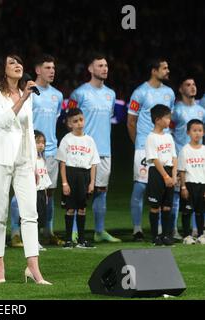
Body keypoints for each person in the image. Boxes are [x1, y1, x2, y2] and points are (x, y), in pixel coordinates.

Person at [0, 54, 51, 285]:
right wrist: (22, 98)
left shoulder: (27, 94)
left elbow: (28, 130)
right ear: (3, 70)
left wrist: (34, 163)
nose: (18, 66)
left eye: (19, 62)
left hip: (24, 160)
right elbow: (3, 121)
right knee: (0, 215)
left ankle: (33, 268)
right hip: (0, 159)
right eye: (12, 63)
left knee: (30, 214)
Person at [10, 54, 64, 247]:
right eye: (48, 68)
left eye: (53, 68)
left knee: (48, 193)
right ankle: (15, 233)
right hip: (28, 151)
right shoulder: (28, 91)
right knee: (21, 192)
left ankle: (47, 231)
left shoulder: (58, 95)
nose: (52, 71)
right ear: (38, 70)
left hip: (50, 151)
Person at [67, 53, 121, 243]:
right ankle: (73, 231)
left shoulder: (111, 94)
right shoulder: (79, 94)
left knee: (101, 190)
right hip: (82, 151)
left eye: (106, 65)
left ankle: (99, 231)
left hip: (104, 150)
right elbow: (70, 119)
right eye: (100, 65)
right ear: (90, 69)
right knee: (78, 192)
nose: (104, 68)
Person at [127, 59, 175, 241]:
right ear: (154, 71)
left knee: (165, 188)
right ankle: (137, 229)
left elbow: (169, 119)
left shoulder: (169, 93)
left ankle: (162, 230)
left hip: (163, 147)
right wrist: (140, 144)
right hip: (144, 147)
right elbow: (131, 122)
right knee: (140, 187)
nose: (167, 70)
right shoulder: (140, 92)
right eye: (164, 68)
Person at [56, 108, 100, 249]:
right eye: (75, 121)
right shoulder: (66, 140)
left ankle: (81, 240)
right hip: (71, 174)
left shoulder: (89, 140)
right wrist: (64, 183)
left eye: (81, 120)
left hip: (84, 175)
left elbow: (93, 164)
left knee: (82, 208)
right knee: (70, 208)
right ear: (69, 124)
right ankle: (68, 240)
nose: (79, 123)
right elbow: (62, 163)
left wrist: (92, 182)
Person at [170, 76, 204, 239]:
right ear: (181, 89)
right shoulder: (176, 110)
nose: (192, 87)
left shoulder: (201, 110)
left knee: (199, 196)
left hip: (197, 159)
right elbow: (169, 131)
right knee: (178, 195)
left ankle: (198, 230)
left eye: (194, 84)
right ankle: (174, 229)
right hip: (181, 157)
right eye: (188, 85)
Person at [145, 104, 177, 246]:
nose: (169, 120)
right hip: (157, 173)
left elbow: (174, 157)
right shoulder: (151, 137)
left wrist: (174, 176)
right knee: (155, 206)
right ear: (158, 120)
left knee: (167, 206)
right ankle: (155, 236)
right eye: (166, 118)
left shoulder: (169, 137)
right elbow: (154, 159)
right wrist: (165, 176)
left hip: (170, 171)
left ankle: (166, 235)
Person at [178, 119, 205, 245]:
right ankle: (187, 236)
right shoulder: (185, 150)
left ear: (203, 132)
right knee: (187, 211)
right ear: (188, 132)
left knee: (200, 211)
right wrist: (183, 187)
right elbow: (182, 170)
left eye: (200, 130)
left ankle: (201, 235)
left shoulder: (204, 150)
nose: (197, 134)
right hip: (189, 184)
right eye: (194, 131)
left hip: (202, 185)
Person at [34, 130, 53, 251]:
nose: (41, 145)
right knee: (33, 218)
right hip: (33, 193)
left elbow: (45, 178)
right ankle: (33, 242)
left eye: (43, 142)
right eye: (38, 142)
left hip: (41, 193)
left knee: (41, 218)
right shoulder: (31, 161)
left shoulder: (42, 159)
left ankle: (37, 241)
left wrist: (46, 193)